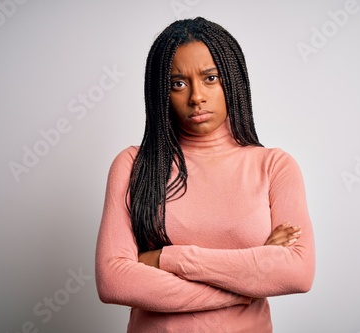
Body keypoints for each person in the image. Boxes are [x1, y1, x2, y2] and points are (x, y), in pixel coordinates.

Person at [95, 17, 315, 332]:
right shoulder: (133, 165)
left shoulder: (275, 166)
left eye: (210, 78)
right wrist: (247, 283)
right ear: (161, 93)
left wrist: (163, 259)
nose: (196, 96)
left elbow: (297, 273)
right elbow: (114, 281)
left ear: (232, 80)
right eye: (178, 83)